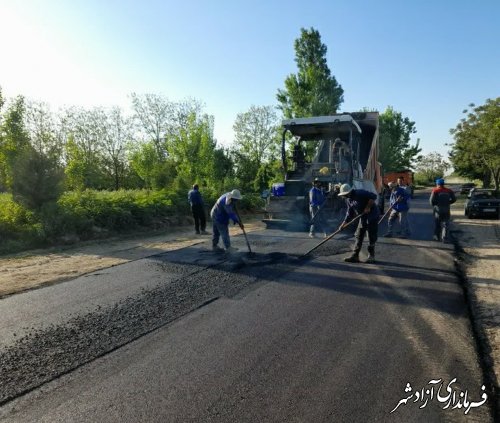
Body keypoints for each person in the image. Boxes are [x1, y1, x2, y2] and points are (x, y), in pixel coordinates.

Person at [337, 184, 380, 263]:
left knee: (371, 235)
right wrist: (343, 224)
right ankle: (355, 256)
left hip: (372, 215)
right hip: (363, 217)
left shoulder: (360, 193)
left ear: (349, 192)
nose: (344, 196)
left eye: (345, 194)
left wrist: (368, 207)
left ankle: (371, 256)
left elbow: (373, 196)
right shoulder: (349, 199)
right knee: (359, 235)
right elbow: (349, 213)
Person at [429, 178, 456, 242]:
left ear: (437, 184)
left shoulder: (435, 190)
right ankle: (444, 238)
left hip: (438, 211)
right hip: (446, 210)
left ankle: (437, 237)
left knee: (437, 224)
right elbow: (454, 199)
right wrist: (448, 202)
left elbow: (431, 202)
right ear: (443, 184)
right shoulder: (449, 190)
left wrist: (436, 205)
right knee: (445, 225)